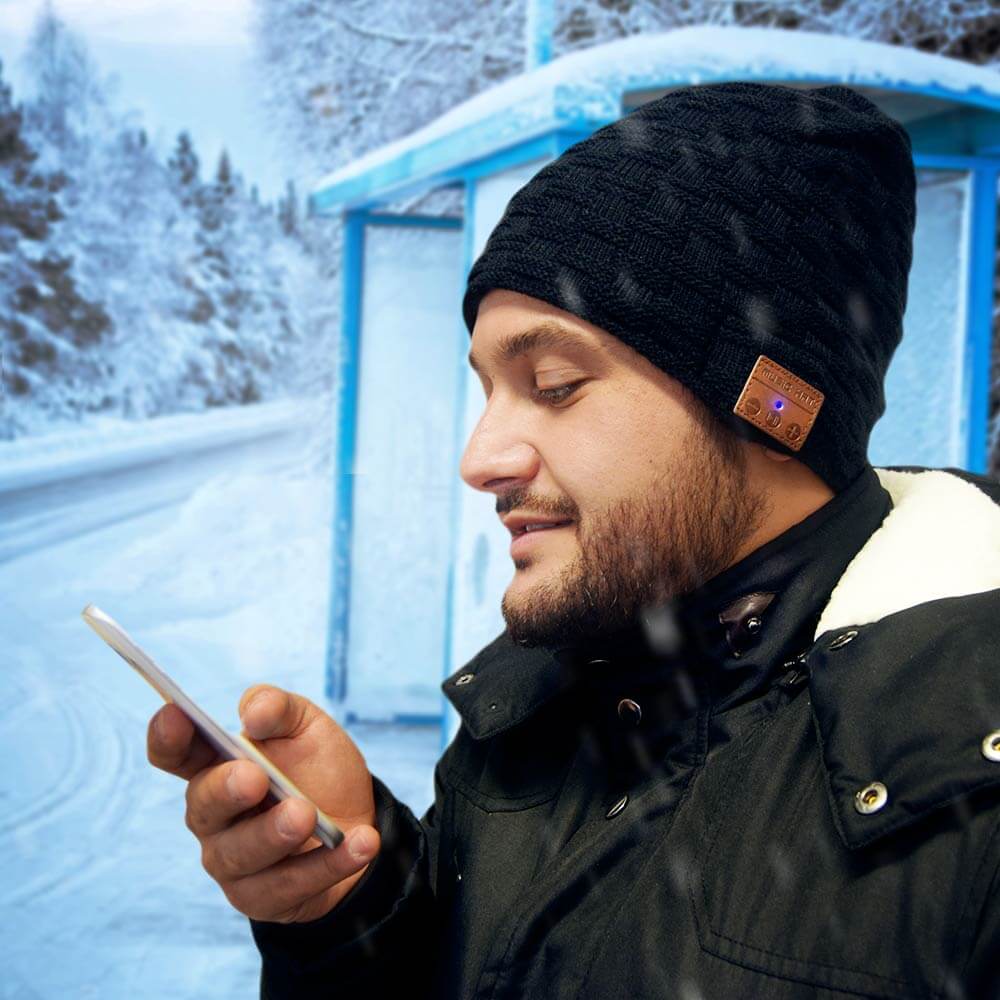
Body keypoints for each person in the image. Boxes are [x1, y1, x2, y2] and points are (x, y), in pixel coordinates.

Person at [147, 81, 1000, 998]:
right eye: (487, 391)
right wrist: (357, 909)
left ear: (767, 407)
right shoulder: (532, 714)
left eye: (553, 384)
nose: (482, 459)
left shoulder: (962, 782)